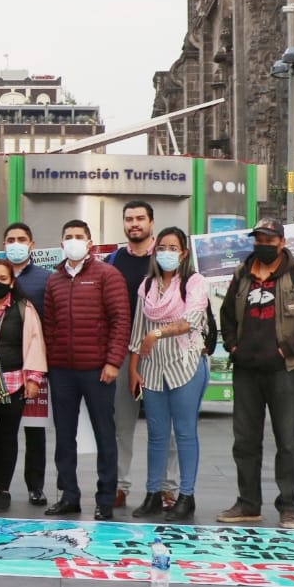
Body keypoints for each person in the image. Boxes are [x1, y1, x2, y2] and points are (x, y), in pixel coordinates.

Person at [217, 218, 294, 529]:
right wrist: (233, 347)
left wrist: (282, 351)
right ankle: (248, 503)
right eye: (258, 239)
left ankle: (288, 506)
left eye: (269, 240)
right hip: (246, 371)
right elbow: (226, 317)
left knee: (287, 441)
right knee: (244, 441)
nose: (263, 245)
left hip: (283, 371)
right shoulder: (242, 273)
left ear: (282, 242)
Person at [41, 219, 131, 520]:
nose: (74, 241)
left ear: (90, 243)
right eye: (68, 237)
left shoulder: (108, 275)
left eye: (79, 236)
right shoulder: (54, 279)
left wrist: (113, 362)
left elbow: (121, 321)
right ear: (61, 243)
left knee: (106, 435)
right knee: (64, 437)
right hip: (63, 371)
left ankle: (105, 499)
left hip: (98, 370)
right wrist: (51, 364)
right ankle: (69, 495)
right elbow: (49, 325)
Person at [128, 227, 209, 523]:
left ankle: (186, 495)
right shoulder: (147, 286)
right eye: (162, 247)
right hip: (152, 368)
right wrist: (133, 369)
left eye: (173, 248)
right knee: (156, 434)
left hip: (185, 363)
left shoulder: (194, 283)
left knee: (185, 432)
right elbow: (138, 331)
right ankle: (152, 493)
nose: (166, 253)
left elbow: (190, 321)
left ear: (184, 253)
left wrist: (158, 333)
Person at [104, 200, 179, 509]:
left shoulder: (165, 259)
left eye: (140, 219)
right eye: (129, 219)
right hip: (123, 352)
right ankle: (120, 485)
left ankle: (167, 487)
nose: (134, 224)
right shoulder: (113, 261)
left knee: (166, 426)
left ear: (151, 222)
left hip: (161, 353)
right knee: (122, 425)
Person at [0, 258, 46, 513]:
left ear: (12, 282)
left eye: (3, 278)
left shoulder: (25, 309)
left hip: (14, 384)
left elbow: (36, 343)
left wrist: (34, 379)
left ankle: (2, 489)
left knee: (7, 436)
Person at [1, 222, 50, 505]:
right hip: (3, 367)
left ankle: (36, 486)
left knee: (35, 430)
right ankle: (0, 485)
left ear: (31, 244)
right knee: (3, 430)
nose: (16, 244)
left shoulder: (44, 279)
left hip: (33, 367)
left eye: (21, 239)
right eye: (11, 239)